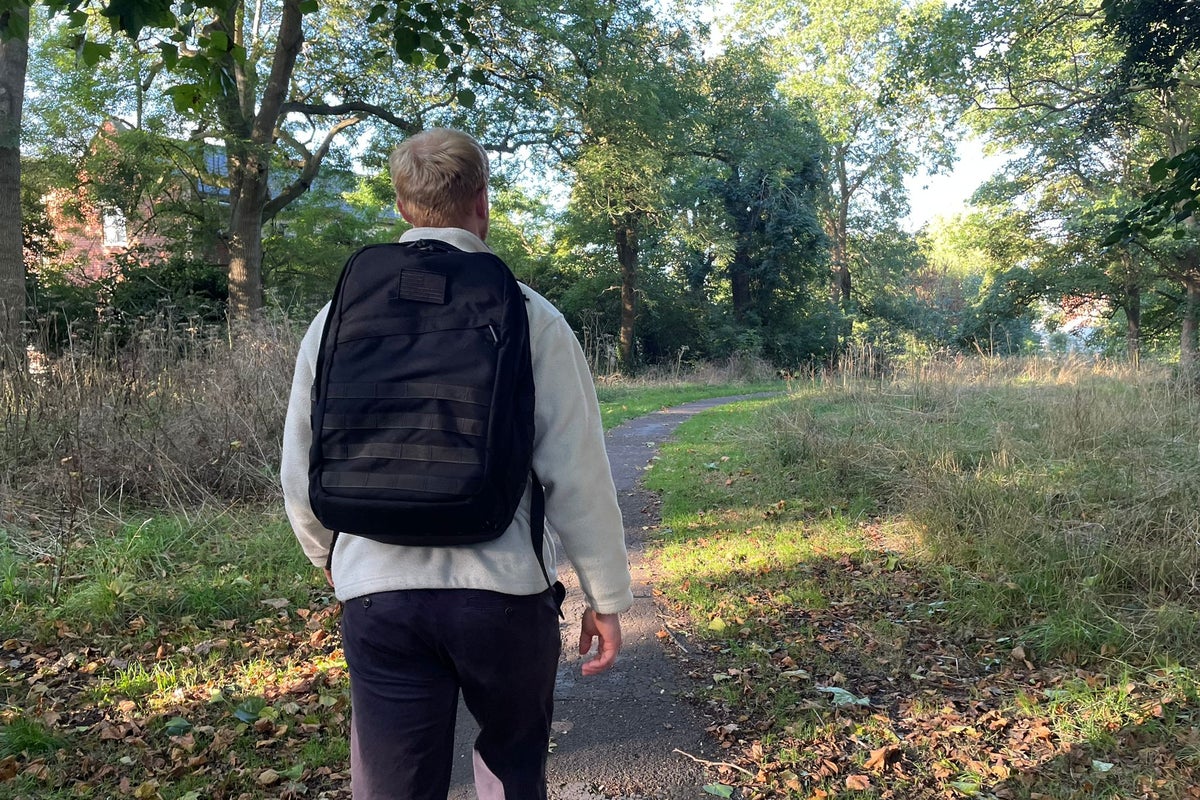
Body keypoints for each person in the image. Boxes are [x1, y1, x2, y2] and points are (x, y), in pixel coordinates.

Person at [280, 127, 634, 800]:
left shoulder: (336, 318)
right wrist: (607, 597)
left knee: (393, 785)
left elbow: (301, 464)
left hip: (378, 594)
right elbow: (577, 471)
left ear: (401, 205)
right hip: (503, 594)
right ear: (482, 202)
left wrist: (328, 555)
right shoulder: (531, 315)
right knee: (511, 768)